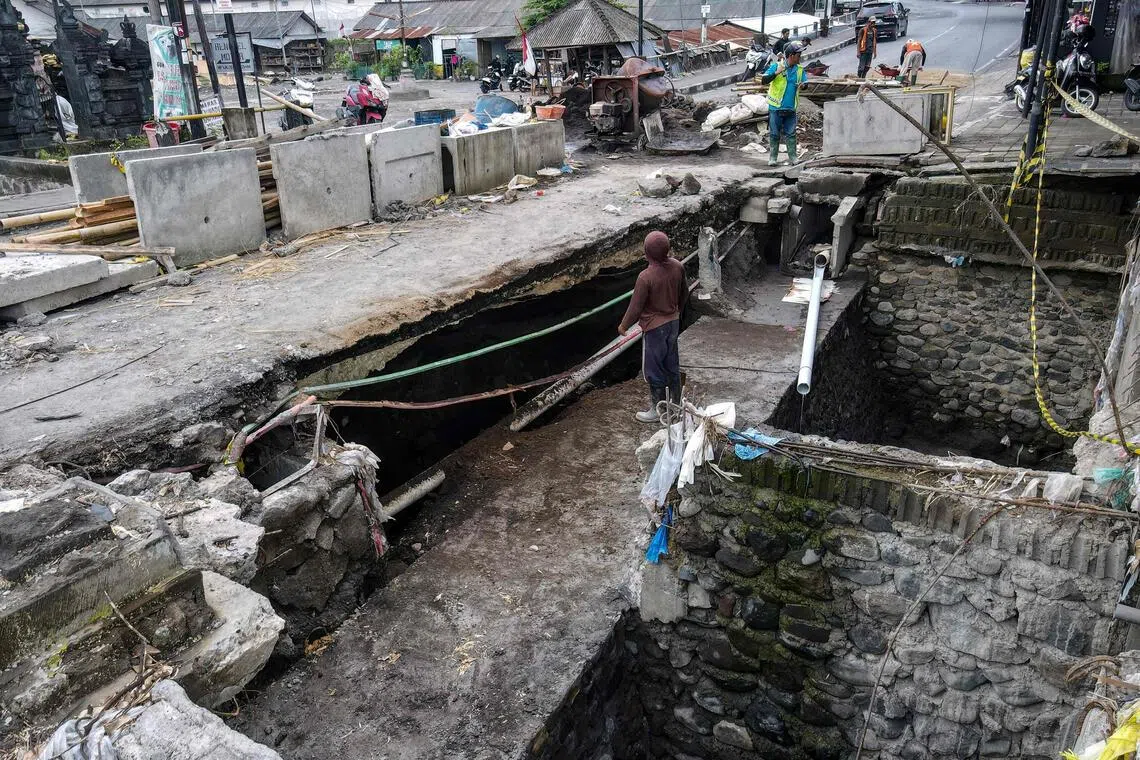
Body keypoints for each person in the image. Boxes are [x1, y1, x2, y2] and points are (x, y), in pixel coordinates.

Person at [618, 231, 688, 423]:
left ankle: (658, 409)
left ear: (646, 253)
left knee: (653, 368)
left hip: (655, 328)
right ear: (668, 249)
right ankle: (676, 403)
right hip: (673, 323)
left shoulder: (645, 277)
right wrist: (677, 312)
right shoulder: (677, 267)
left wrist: (623, 326)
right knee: (671, 363)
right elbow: (684, 293)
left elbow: (635, 307)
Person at [762, 41, 808, 167]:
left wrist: (803, 86)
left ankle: (793, 157)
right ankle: (773, 158)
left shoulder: (800, 70)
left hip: (791, 108)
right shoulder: (777, 66)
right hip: (776, 108)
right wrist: (776, 72)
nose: (800, 57)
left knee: (791, 134)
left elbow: (805, 84)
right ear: (791, 55)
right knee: (774, 134)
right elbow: (763, 80)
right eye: (798, 55)